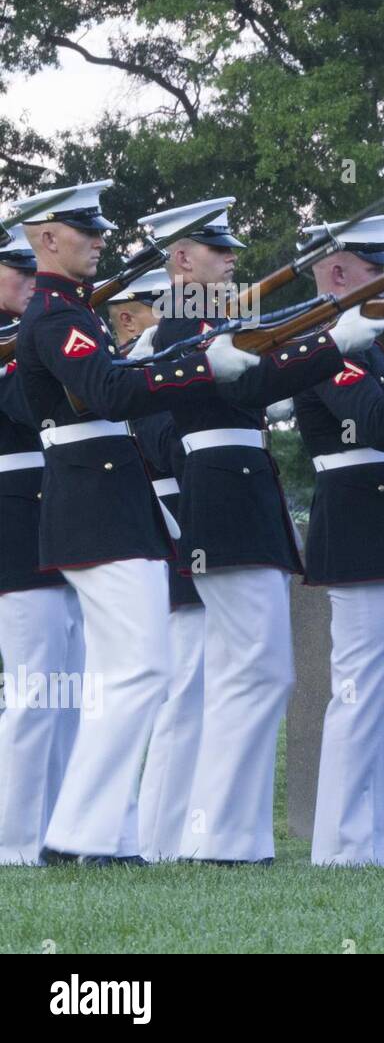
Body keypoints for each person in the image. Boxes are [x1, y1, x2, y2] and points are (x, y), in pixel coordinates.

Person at [15, 181, 258, 865]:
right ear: (49, 240)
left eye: (99, 232)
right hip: (96, 506)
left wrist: (176, 358)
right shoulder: (59, 318)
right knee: (140, 670)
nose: (100, 240)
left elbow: (120, 384)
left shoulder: (75, 313)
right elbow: (112, 391)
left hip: (111, 505)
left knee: (132, 671)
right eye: (85, 232)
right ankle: (80, 833)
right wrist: (198, 362)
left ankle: (99, 831)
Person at [146, 197, 384, 864]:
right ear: (182, 259)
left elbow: (267, 360)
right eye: (217, 249)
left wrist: (327, 329)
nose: (231, 258)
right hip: (224, 499)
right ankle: (218, 835)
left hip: (240, 496)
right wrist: (333, 339)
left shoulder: (216, 324)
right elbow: (253, 385)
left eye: (230, 249)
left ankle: (225, 833)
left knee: (244, 673)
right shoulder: (179, 330)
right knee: (257, 673)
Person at [293, 214, 384, 867]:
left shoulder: (367, 342)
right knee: (361, 691)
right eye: (378, 269)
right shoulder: (322, 339)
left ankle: (381, 844)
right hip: (359, 521)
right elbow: (372, 418)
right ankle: (342, 847)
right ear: (340, 270)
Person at [101, 269, 209, 862]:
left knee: (193, 692)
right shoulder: (142, 376)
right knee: (181, 695)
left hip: (176, 531)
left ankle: (176, 829)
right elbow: (170, 451)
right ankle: (160, 839)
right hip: (170, 531)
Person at [0, 225, 84, 865]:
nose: (32, 277)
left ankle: (59, 829)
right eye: (16, 268)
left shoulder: (33, 333)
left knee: (69, 685)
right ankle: (16, 841)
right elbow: (31, 409)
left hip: (56, 508)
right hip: (14, 515)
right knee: (34, 686)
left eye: (36, 266)